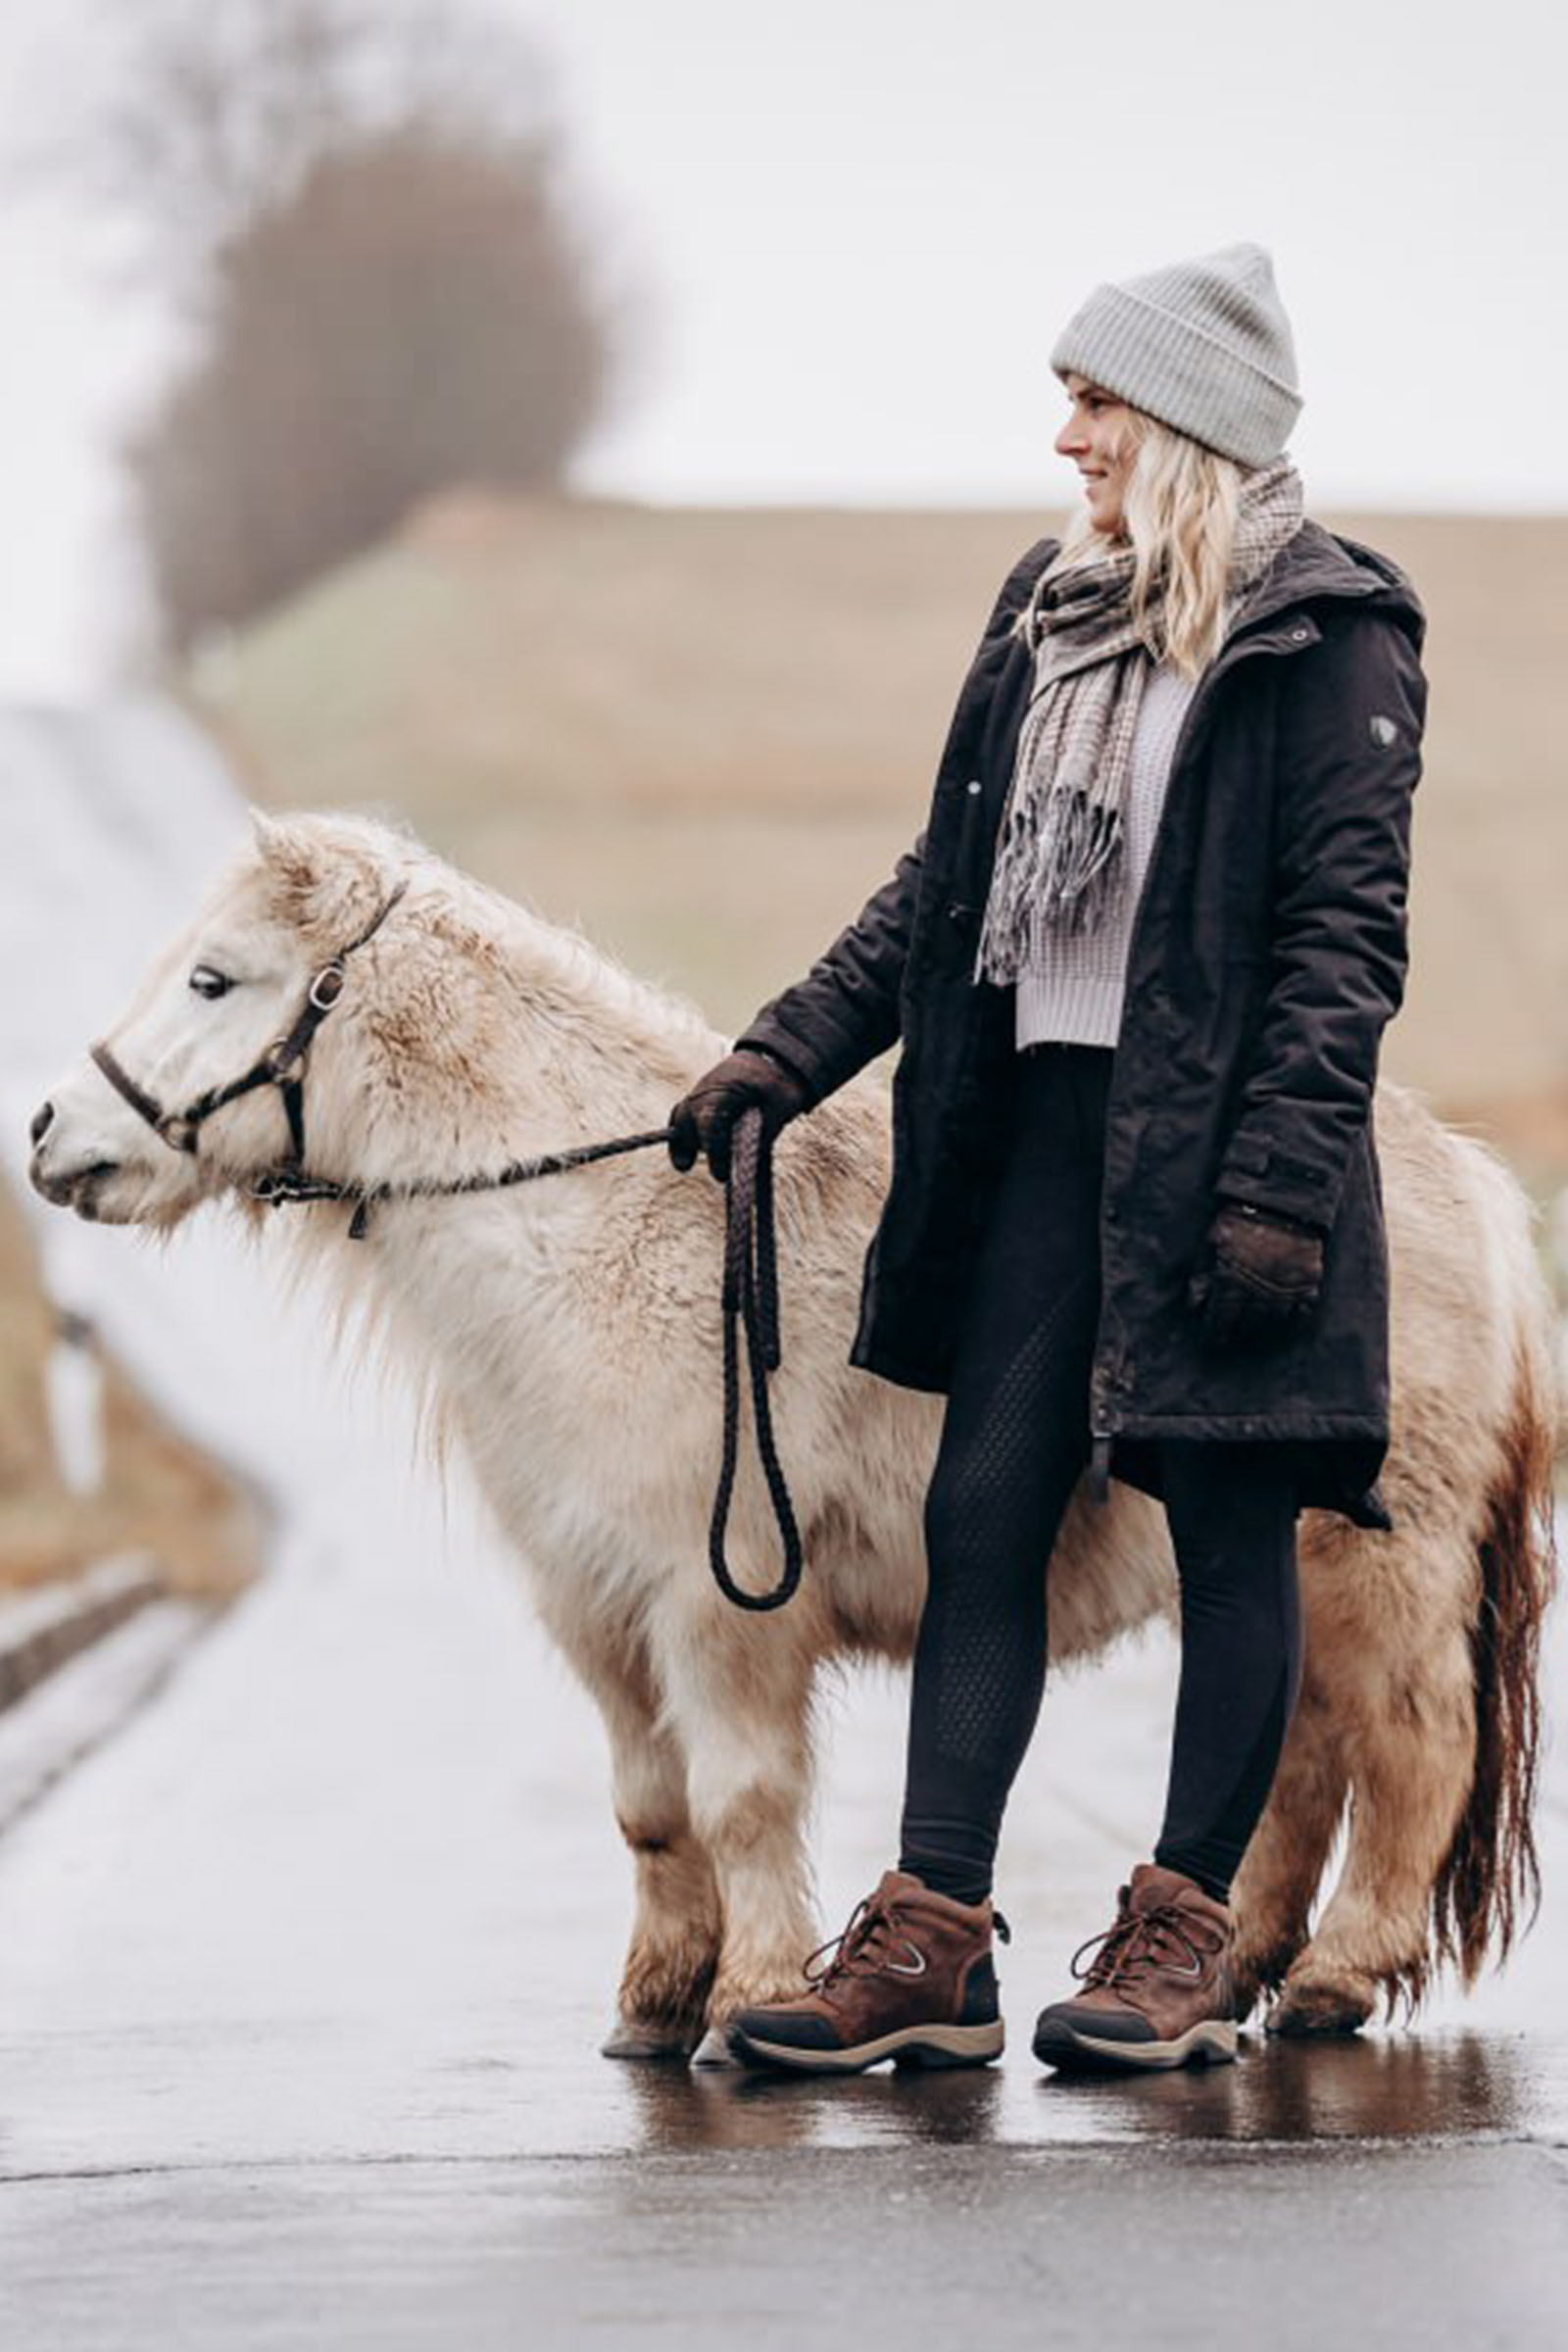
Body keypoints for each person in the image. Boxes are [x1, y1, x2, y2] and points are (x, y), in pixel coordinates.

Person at [666, 243, 1426, 2076]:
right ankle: (935, 1942)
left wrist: (1275, 1196)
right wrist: (784, 1050)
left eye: (1096, 402)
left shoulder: (1329, 633)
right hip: (1039, 1145)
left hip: (1230, 1169)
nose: (1066, 436)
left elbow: (1343, 944)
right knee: (982, 1521)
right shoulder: (1049, 610)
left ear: (1185, 423)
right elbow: (946, 889)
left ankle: (1184, 1935)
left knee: (1229, 1541)